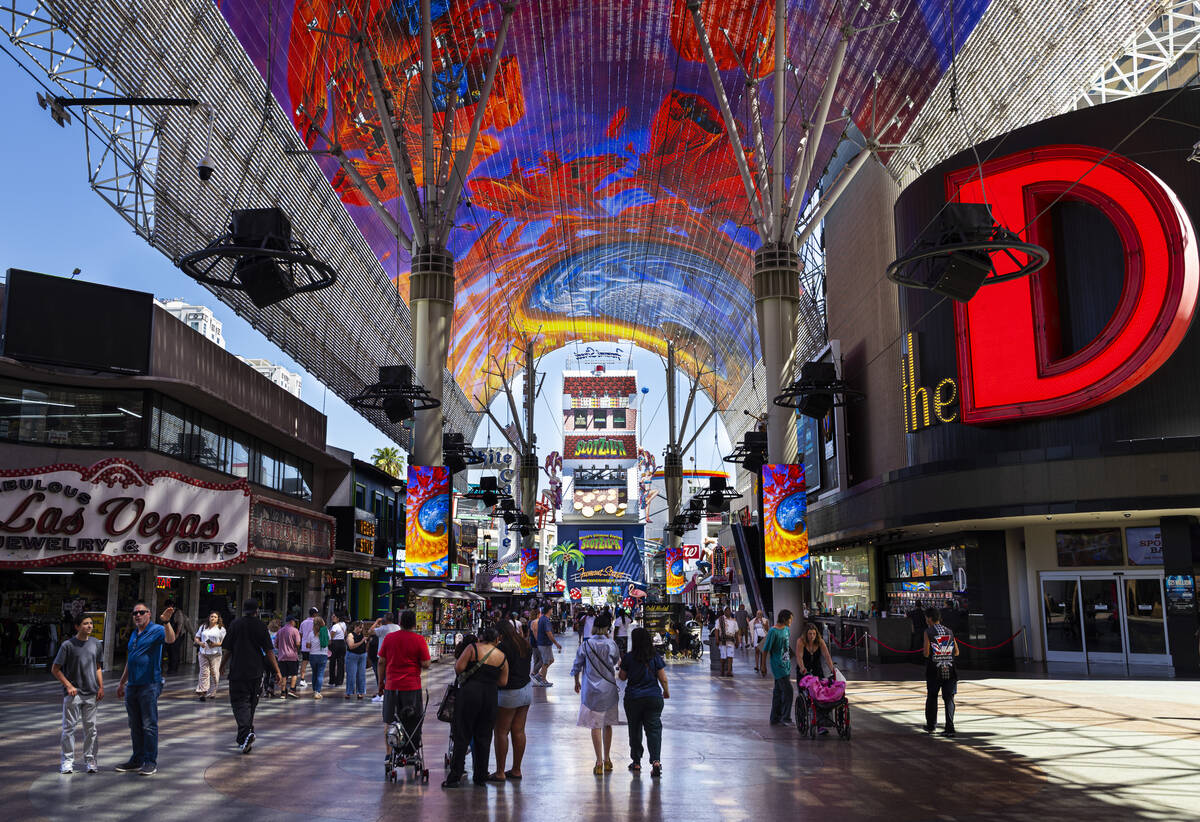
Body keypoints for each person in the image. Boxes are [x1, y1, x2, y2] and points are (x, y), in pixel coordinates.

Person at [114, 601, 176, 776]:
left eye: (141, 612)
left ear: (149, 614)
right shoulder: (134, 634)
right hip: (132, 685)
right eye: (135, 613)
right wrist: (121, 682)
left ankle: (150, 761)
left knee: (149, 725)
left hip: (149, 684)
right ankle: (137, 759)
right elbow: (131, 659)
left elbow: (170, 639)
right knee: (135, 725)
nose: (138, 616)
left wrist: (166, 621)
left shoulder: (156, 629)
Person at [444, 625, 508, 788]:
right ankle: (480, 776)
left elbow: (459, 668)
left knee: (462, 735)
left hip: (469, 694)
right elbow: (503, 682)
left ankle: (455, 777)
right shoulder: (501, 656)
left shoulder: (472, 648)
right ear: (496, 639)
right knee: (484, 736)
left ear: (482, 637)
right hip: (490, 696)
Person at [220, 600, 282, 754]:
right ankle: (245, 736)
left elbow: (227, 648)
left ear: (243, 609)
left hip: (237, 670)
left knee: (239, 703)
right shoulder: (261, 626)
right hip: (256, 671)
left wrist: (222, 665)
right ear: (257, 610)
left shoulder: (235, 624)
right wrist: (277, 670)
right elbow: (269, 650)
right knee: (251, 703)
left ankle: (246, 734)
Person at [51, 614, 103, 774]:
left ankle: (91, 760)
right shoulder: (68, 645)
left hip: (91, 692)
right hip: (73, 694)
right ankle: (67, 762)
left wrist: (101, 686)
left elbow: (97, 667)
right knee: (69, 729)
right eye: (85, 623)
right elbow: (55, 669)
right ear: (77, 626)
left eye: (91, 623)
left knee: (91, 729)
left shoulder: (96, 644)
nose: (89, 626)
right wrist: (68, 686)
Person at [378, 609, 431, 760]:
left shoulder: (389, 638)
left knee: (390, 720)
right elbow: (426, 663)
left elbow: (381, 661)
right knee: (412, 719)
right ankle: (410, 752)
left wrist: (381, 683)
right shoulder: (419, 639)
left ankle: (389, 754)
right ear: (415, 623)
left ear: (400, 623)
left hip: (392, 686)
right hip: (411, 687)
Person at [572, 611, 621, 775]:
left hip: (591, 691)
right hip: (608, 690)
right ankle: (607, 759)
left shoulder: (585, 645)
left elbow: (577, 665)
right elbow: (615, 662)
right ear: (607, 628)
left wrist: (576, 682)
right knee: (607, 724)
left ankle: (598, 762)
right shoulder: (611, 644)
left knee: (595, 725)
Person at [619, 627, 668, 778]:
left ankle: (636, 761)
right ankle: (656, 762)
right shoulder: (655, 656)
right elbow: (663, 678)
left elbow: (622, 677)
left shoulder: (629, 657)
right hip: (653, 697)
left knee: (635, 730)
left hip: (634, 698)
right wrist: (666, 691)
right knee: (654, 729)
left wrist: (622, 666)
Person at [490, 618, 532, 782]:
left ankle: (500, 772)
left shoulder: (502, 647)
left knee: (501, 731)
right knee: (519, 730)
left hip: (509, 693)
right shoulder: (525, 644)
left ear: (500, 634)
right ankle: (516, 769)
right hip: (526, 690)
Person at [923, 607, 960, 737]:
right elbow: (956, 651)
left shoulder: (928, 632)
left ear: (929, 618)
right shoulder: (949, 631)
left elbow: (926, 653)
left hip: (934, 670)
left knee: (932, 697)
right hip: (950, 670)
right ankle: (950, 728)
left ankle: (931, 726)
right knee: (949, 698)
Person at [795, 622, 838, 735]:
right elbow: (799, 657)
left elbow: (827, 656)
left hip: (817, 670)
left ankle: (821, 724)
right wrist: (803, 668)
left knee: (821, 695)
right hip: (804, 671)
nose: (812, 636)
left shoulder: (820, 642)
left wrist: (832, 669)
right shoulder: (801, 641)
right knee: (805, 696)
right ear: (806, 634)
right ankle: (804, 719)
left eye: (814, 634)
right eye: (810, 634)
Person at [762, 610, 793, 726]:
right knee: (788, 691)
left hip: (786, 665)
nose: (791, 621)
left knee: (778, 692)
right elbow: (765, 649)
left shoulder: (786, 630)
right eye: (790, 619)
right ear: (784, 619)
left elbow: (786, 647)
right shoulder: (773, 631)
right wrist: (763, 665)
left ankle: (775, 717)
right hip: (778, 666)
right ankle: (786, 717)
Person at [192, 611, 226, 700]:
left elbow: (224, 642)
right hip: (203, 652)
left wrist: (215, 644)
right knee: (204, 672)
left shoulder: (221, 629)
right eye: (211, 616)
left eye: (215, 617)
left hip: (215, 653)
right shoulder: (203, 627)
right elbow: (196, 637)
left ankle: (213, 691)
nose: (213, 618)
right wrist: (200, 643)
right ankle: (202, 691)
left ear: (218, 619)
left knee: (214, 672)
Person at [371, 613, 400, 702]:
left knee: (381, 676)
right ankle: (390, 694)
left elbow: (370, 631)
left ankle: (382, 694)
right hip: (394, 655)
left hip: (383, 655)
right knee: (390, 676)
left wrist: (377, 621)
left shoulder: (383, 628)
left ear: (386, 619)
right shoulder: (397, 627)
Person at [163, 599, 192, 677]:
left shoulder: (178, 612)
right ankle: (170, 667)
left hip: (177, 635)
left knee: (174, 651)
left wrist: (176, 635)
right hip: (169, 634)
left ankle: (173, 668)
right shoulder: (167, 613)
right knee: (169, 651)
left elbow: (180, 624)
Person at [274, 615, 301, 699]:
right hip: (292, 656)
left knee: (283, 675)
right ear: (291, 621)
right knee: (294, 673)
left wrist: (282, 648)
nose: (295, 623)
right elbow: (297, 643)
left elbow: (276, 644)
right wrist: (297, 648)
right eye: (294, 621)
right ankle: (292, 690)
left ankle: (282, 693)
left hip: (282, 656)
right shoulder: (295, 630)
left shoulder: (280, 631)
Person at [305, 615, 329, 699]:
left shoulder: (311, 633)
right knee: (320, 674)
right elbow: (329, 642)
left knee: (314, 673)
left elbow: (307, 645)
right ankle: (317, 692)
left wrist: (312, 644)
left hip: (313, 655)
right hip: (323, 655)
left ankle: (314, 690)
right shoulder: (326, 632)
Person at [344, 620, 369, 700]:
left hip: (362, 655)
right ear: (355, 627)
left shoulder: (363, 635)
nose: (361, 629)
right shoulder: (350, 635)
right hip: (352, 655)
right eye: (360, 627)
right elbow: (351, 646)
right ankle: (349, 692)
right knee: (351, 674)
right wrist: (362, 641)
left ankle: (360, 692)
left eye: (362, 628)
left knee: (361, 675)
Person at [298, 607, 318, 688]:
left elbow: (301, 634)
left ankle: (302, 679)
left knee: (304, 662)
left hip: (305, 646)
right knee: (315, 663)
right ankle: (315, 679)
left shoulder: (303, 622)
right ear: (315, 614)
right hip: (314, 646)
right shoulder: (316, 623)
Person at [328, 611, 347, 689]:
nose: (332, 617)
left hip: (335, 644)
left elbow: (331, 637)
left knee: (332, 662)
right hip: (342, 643)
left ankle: (332, 680)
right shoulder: (344, 624)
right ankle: (339, 680)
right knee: (341, 662)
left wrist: (328, 645)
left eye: (334, 616)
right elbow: (345, 633)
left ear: (338, 618)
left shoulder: (335, 626)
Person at [717, 607, 738, 676]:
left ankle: (729, 671)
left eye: (729, 611)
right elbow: (716, 630)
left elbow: (736, 632)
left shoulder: (734, 621)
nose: (728, 612)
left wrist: (737, 641)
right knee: (723, 657)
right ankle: (722, 669)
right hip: (722, 641)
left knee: (730, 656)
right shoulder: (720, 620)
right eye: (726, 611)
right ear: (724, 612)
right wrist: (717, 639)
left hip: (731, 641)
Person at [751, 610, 769, 675]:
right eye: (758, 613)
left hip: (763, 637)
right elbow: (751, 630)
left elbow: (767, 629)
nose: (759, 615)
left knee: (763, 652)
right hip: (756, 637)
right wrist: (752, 640)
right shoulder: (753, 621)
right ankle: (756, 665)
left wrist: (762, 623)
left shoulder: (765, 620)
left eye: (760, 614)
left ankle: (763, 665)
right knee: (757, 651)